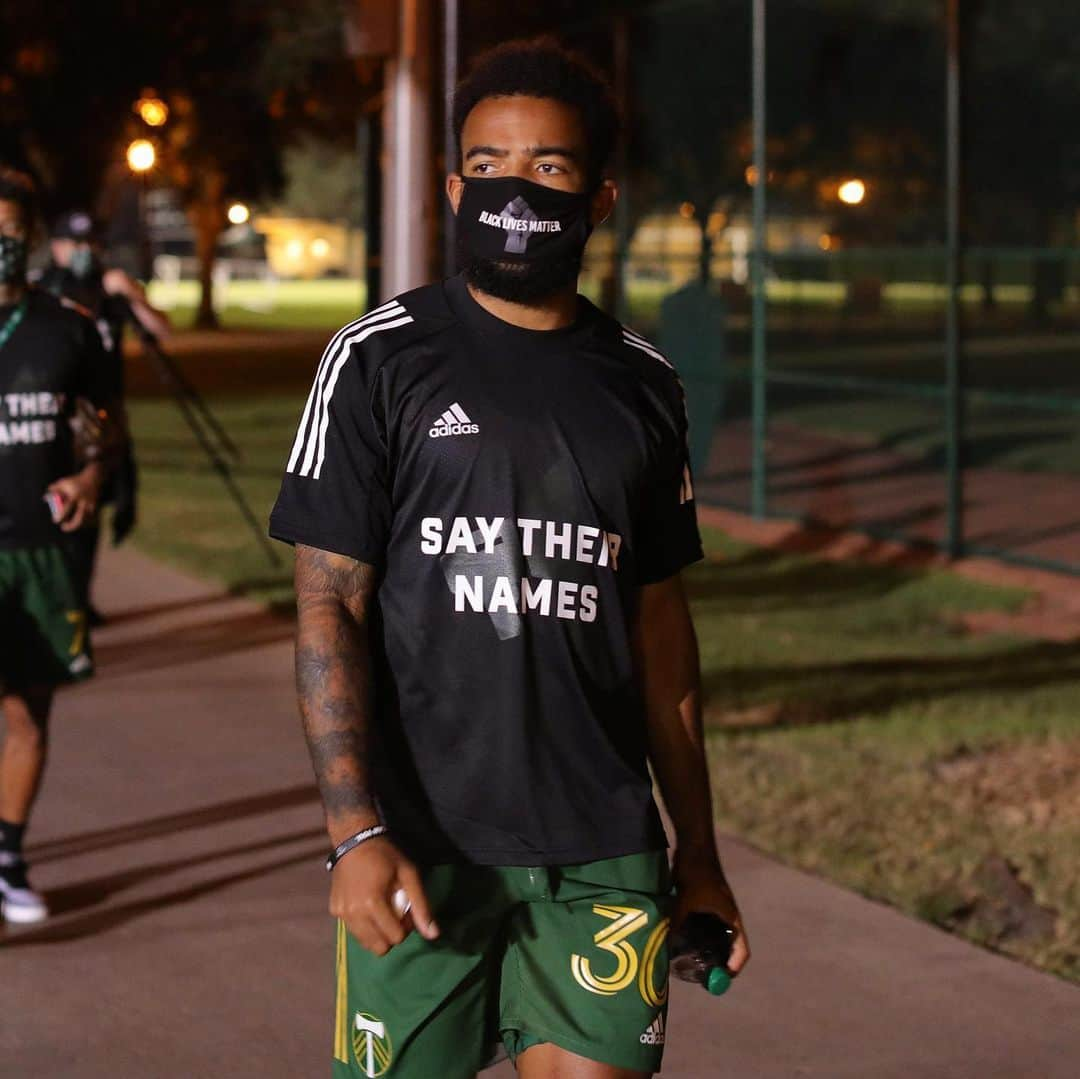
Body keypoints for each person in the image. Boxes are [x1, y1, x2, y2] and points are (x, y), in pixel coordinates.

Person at [269, 38, 750, 1079]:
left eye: (550, 169)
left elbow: (661, 631)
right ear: (452, 185)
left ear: (602, 195)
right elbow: (328, 607)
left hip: (604, 851)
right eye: (487, 167)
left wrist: (699, 854)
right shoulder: (376, 360)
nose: (513, 192)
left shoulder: (646, 387)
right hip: (424, 845)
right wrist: (355, 833)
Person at [0, 167, 119, 924]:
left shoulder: (67, 328)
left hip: (38, 550)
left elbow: (100, 430)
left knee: (25, 717)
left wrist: (89, 476)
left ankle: (8, 856)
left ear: (31, 238)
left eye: (8, 234)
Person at [35, 210, 169, 619]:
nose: (83, 252)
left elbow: (161, 331)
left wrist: (132, 294)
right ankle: (56, 595)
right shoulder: (42, 290)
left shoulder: (110, 291)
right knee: (51, 502)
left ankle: (80, 596)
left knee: (98, 503)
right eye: (75, 244)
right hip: (53, 417)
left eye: (91, 244)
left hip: (105, 416)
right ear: (56, 247)